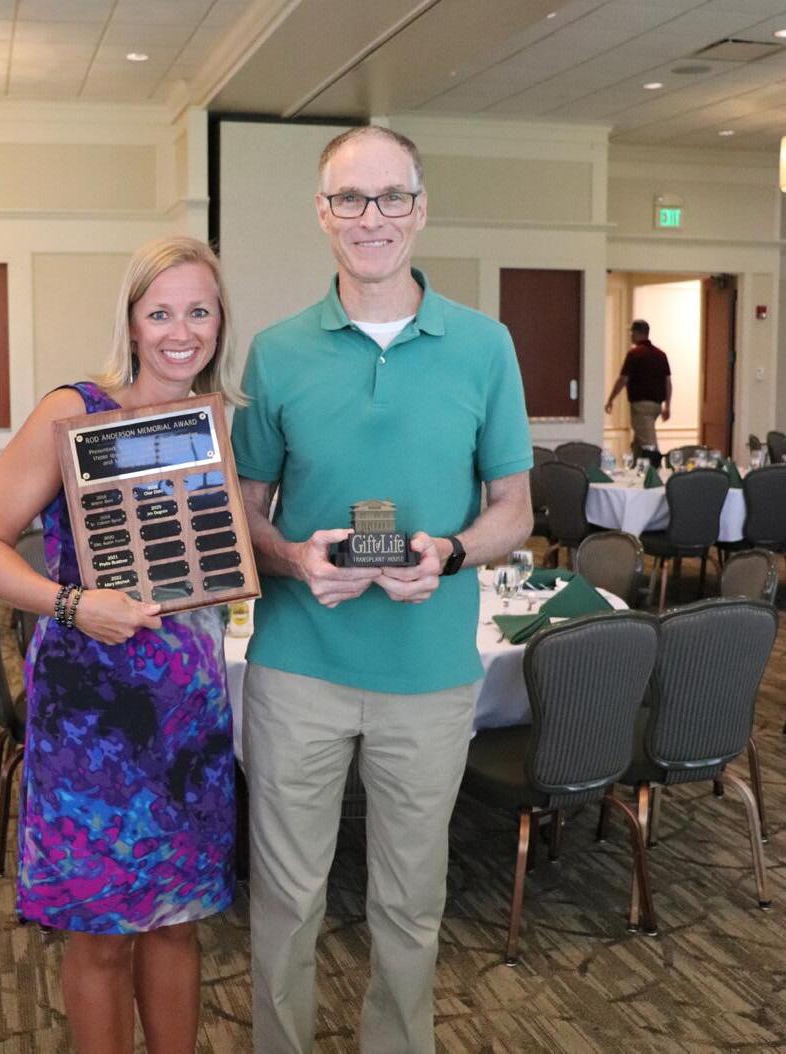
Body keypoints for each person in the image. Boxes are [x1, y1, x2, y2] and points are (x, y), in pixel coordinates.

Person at [231, 126, 533, 1053]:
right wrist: (294, 558)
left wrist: (449, 552)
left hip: (430, 672)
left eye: (391, 196)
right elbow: (245, 513)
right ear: (322, 214)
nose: (372, 218)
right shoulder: (275, 352)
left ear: (420, 208)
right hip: (296, 667)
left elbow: (514, 511)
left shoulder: (485, 346)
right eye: (349, 199)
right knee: (286, 897)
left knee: (410, 904)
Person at [0, 236, 242, 1054]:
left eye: (198, 312)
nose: (179, 331)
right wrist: (74, 604)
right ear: (132, 322)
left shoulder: (214, 423)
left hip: (188, 715)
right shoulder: (73, 411)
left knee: (179, 921)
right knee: (101, 934)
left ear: (220, 323)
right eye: (161, 313)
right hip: (93, 719)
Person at [604, 319, 672, 462]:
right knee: (639, 442)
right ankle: (636, 466)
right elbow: (667, 382)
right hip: (656, 405)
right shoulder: (660, 355)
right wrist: (667, 406)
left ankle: (654, 468)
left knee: (649, 445)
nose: (631, 335)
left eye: (632, 332)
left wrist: (611, 399)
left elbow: (623, 379)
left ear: (637, 333)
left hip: (641, 405)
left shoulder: (635, 354)